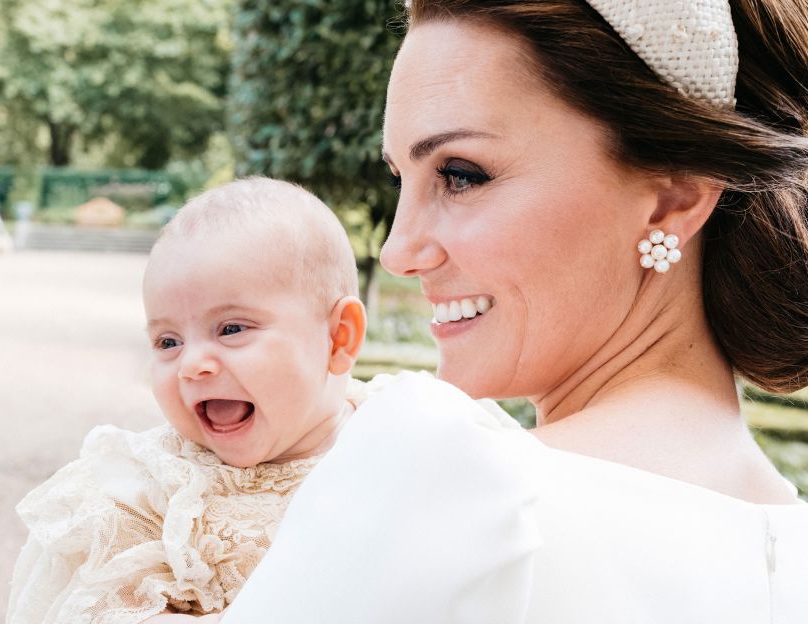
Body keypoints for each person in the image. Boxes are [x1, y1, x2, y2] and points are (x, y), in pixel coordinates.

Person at [220, 1, 808, 622]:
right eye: (401, 180)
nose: (398, 250)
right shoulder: (792, 550)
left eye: (461, 175)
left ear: (673, 199)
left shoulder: (447, 480)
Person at [5, 177, 369, 624]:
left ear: (339, 338)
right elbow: (103, 610)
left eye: (232, 329)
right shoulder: (151, 490)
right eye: (168, 341)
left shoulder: (399, 434)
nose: (192, 364)